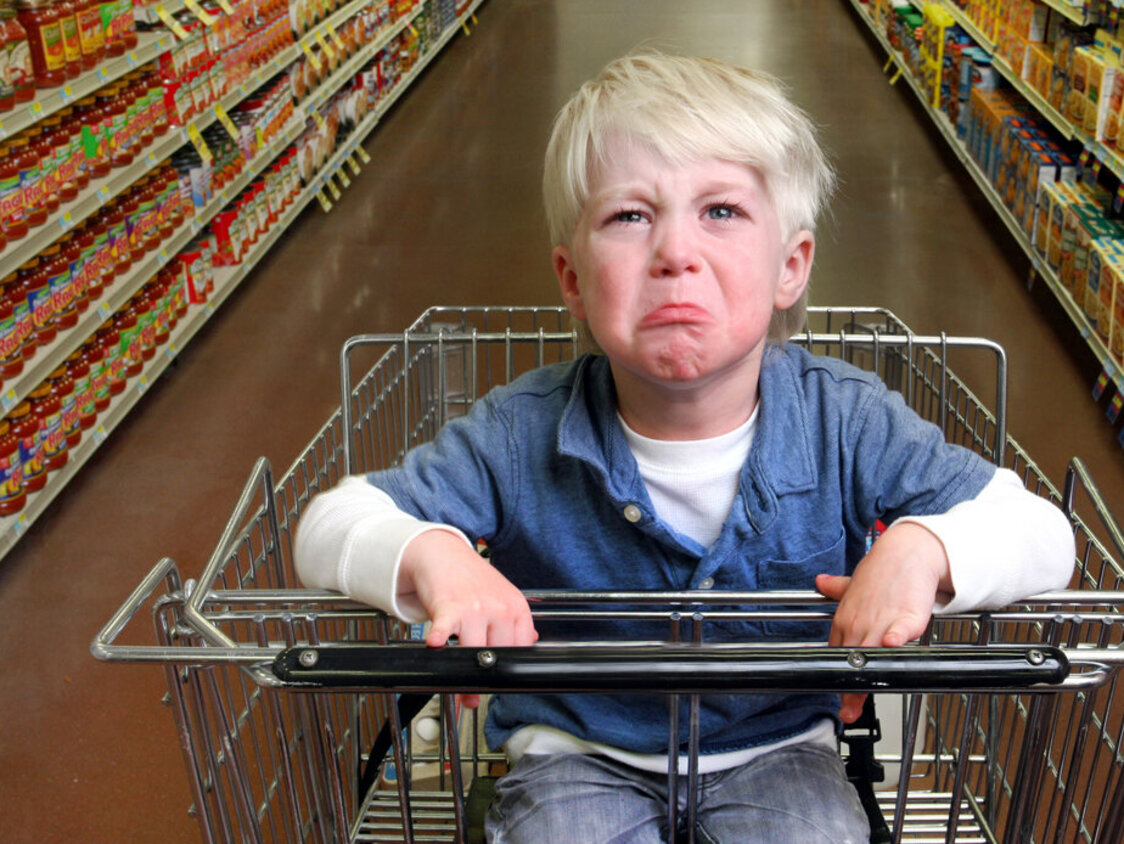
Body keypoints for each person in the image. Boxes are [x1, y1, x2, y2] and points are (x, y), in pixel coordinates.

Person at [294, 52, 1075, 844]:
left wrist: (920, 547)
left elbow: (1046, 536)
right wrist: (435, 555)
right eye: (630, 216)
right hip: (574, 748)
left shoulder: (847, 421)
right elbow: (329, 525)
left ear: (791, 267)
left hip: (780, 746)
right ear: (573, 279)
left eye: (722, 212)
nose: (674, 251)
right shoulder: (518, 432)